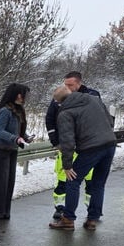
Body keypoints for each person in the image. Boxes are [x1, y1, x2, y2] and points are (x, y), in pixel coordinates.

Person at [47, 85, 117, 231]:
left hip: (90, 148)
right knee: (98, 184)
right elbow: (110, 121)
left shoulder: (65, 113)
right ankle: (92, 219)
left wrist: (67, 166)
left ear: (59, 103)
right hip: (110, 144)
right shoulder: (94, 99)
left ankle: (68, 219)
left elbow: (67, 141)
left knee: (73, 180)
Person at [45, 72, 100, 220]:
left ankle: (91, 209)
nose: (67, 87)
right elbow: (50, 118)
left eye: (70, 85)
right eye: (65, 84)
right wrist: (55, 141)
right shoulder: (60, 97)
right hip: (66, 145)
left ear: (79, 83)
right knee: (63, 179)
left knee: (91, 180)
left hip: (87, 146)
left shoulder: (91, 96)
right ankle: (60, 207)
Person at [0, 83, 33, 220]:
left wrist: (25, 137)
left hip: (12, 150)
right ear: (16, 94)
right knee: (0, 182)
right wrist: (15, 139)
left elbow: (18, 130)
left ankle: (5, 211)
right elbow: (0, 131)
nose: (24, 97)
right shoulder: (5, 111)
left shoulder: (18, 110)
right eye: (22, 94)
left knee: (9, 182)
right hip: (1, 150)